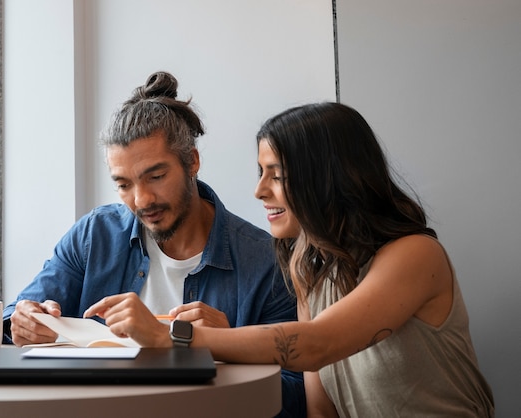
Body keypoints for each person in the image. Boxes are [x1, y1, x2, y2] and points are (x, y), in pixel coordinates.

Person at [85, 102, 495, 417]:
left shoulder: (414, 255)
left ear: (328, 176)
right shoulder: (309, 270)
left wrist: (174, 337)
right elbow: (320, 410)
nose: (259, 191)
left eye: (276, 174)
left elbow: (317, 344)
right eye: (261, 172)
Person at [3, 71, 305, 417]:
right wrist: (22, 321)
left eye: (156, 177)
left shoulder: (267, 262)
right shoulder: (94, 236)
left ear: (192, 161)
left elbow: (295, 399)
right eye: (123, 185)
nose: (142, 199)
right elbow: (19, 313)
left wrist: (224, 350)